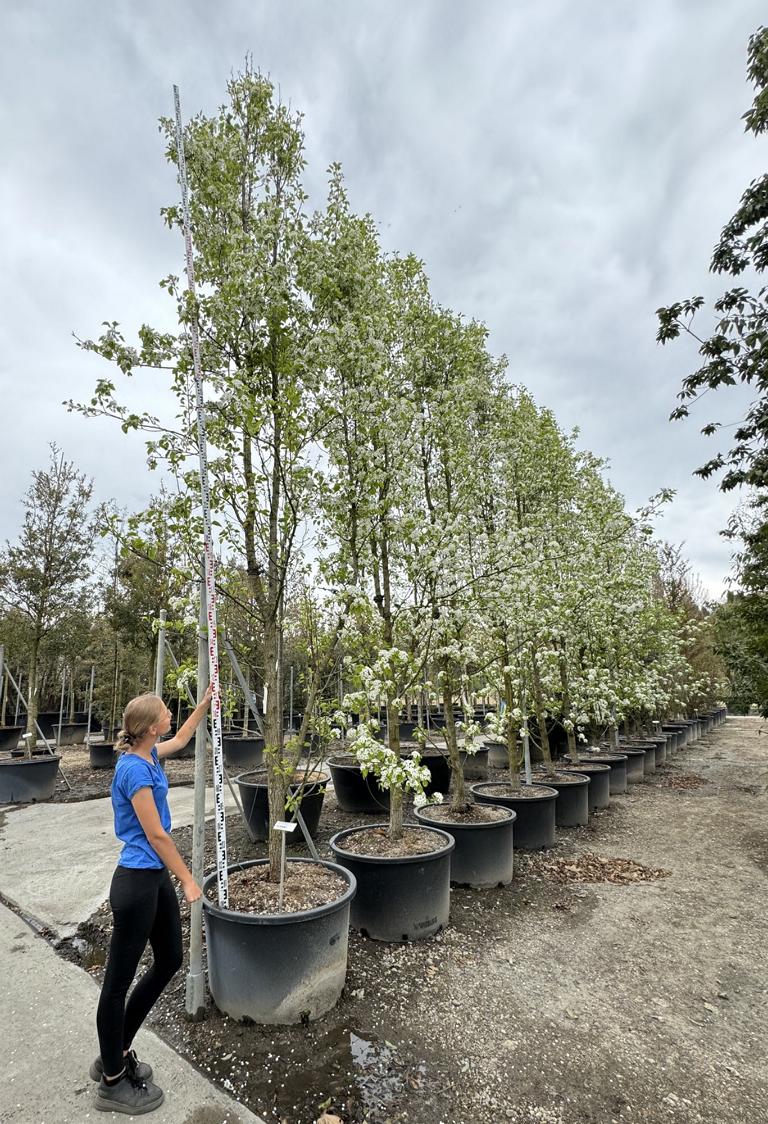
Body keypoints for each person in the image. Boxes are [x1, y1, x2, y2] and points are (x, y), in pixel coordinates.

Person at [92, 687, 212, 1114]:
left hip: (153, 878)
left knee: (170, 960)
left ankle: (118, 1049)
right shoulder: (135, 773)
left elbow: (179, 740)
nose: (168, 715)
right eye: (164, 712)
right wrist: (188, 880)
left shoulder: (149, 754)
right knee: (117, 984)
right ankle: (111, 1080)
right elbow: (157, 835)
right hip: (137, 884)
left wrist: (202, 708)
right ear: (146, 728)